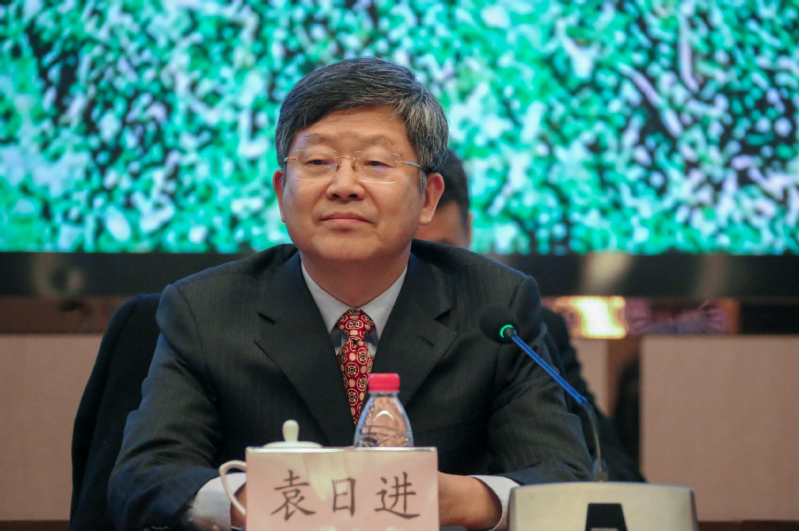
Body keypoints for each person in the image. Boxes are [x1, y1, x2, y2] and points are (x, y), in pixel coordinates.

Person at [109, 58, 591, 531]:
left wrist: (449, 498)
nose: (343, 186)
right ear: (281, 192)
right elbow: (144, 477)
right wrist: (262, 499)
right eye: (318, 162)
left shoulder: (494, 304)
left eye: (376, 163)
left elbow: (560, 476)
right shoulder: (207, 309)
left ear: (427, 197)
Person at [416, 150, 644, 482]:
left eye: (444, 250)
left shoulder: (515, 328)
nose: (428, 269)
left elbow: (610, 465)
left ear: (470, 231)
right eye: (414, 253)